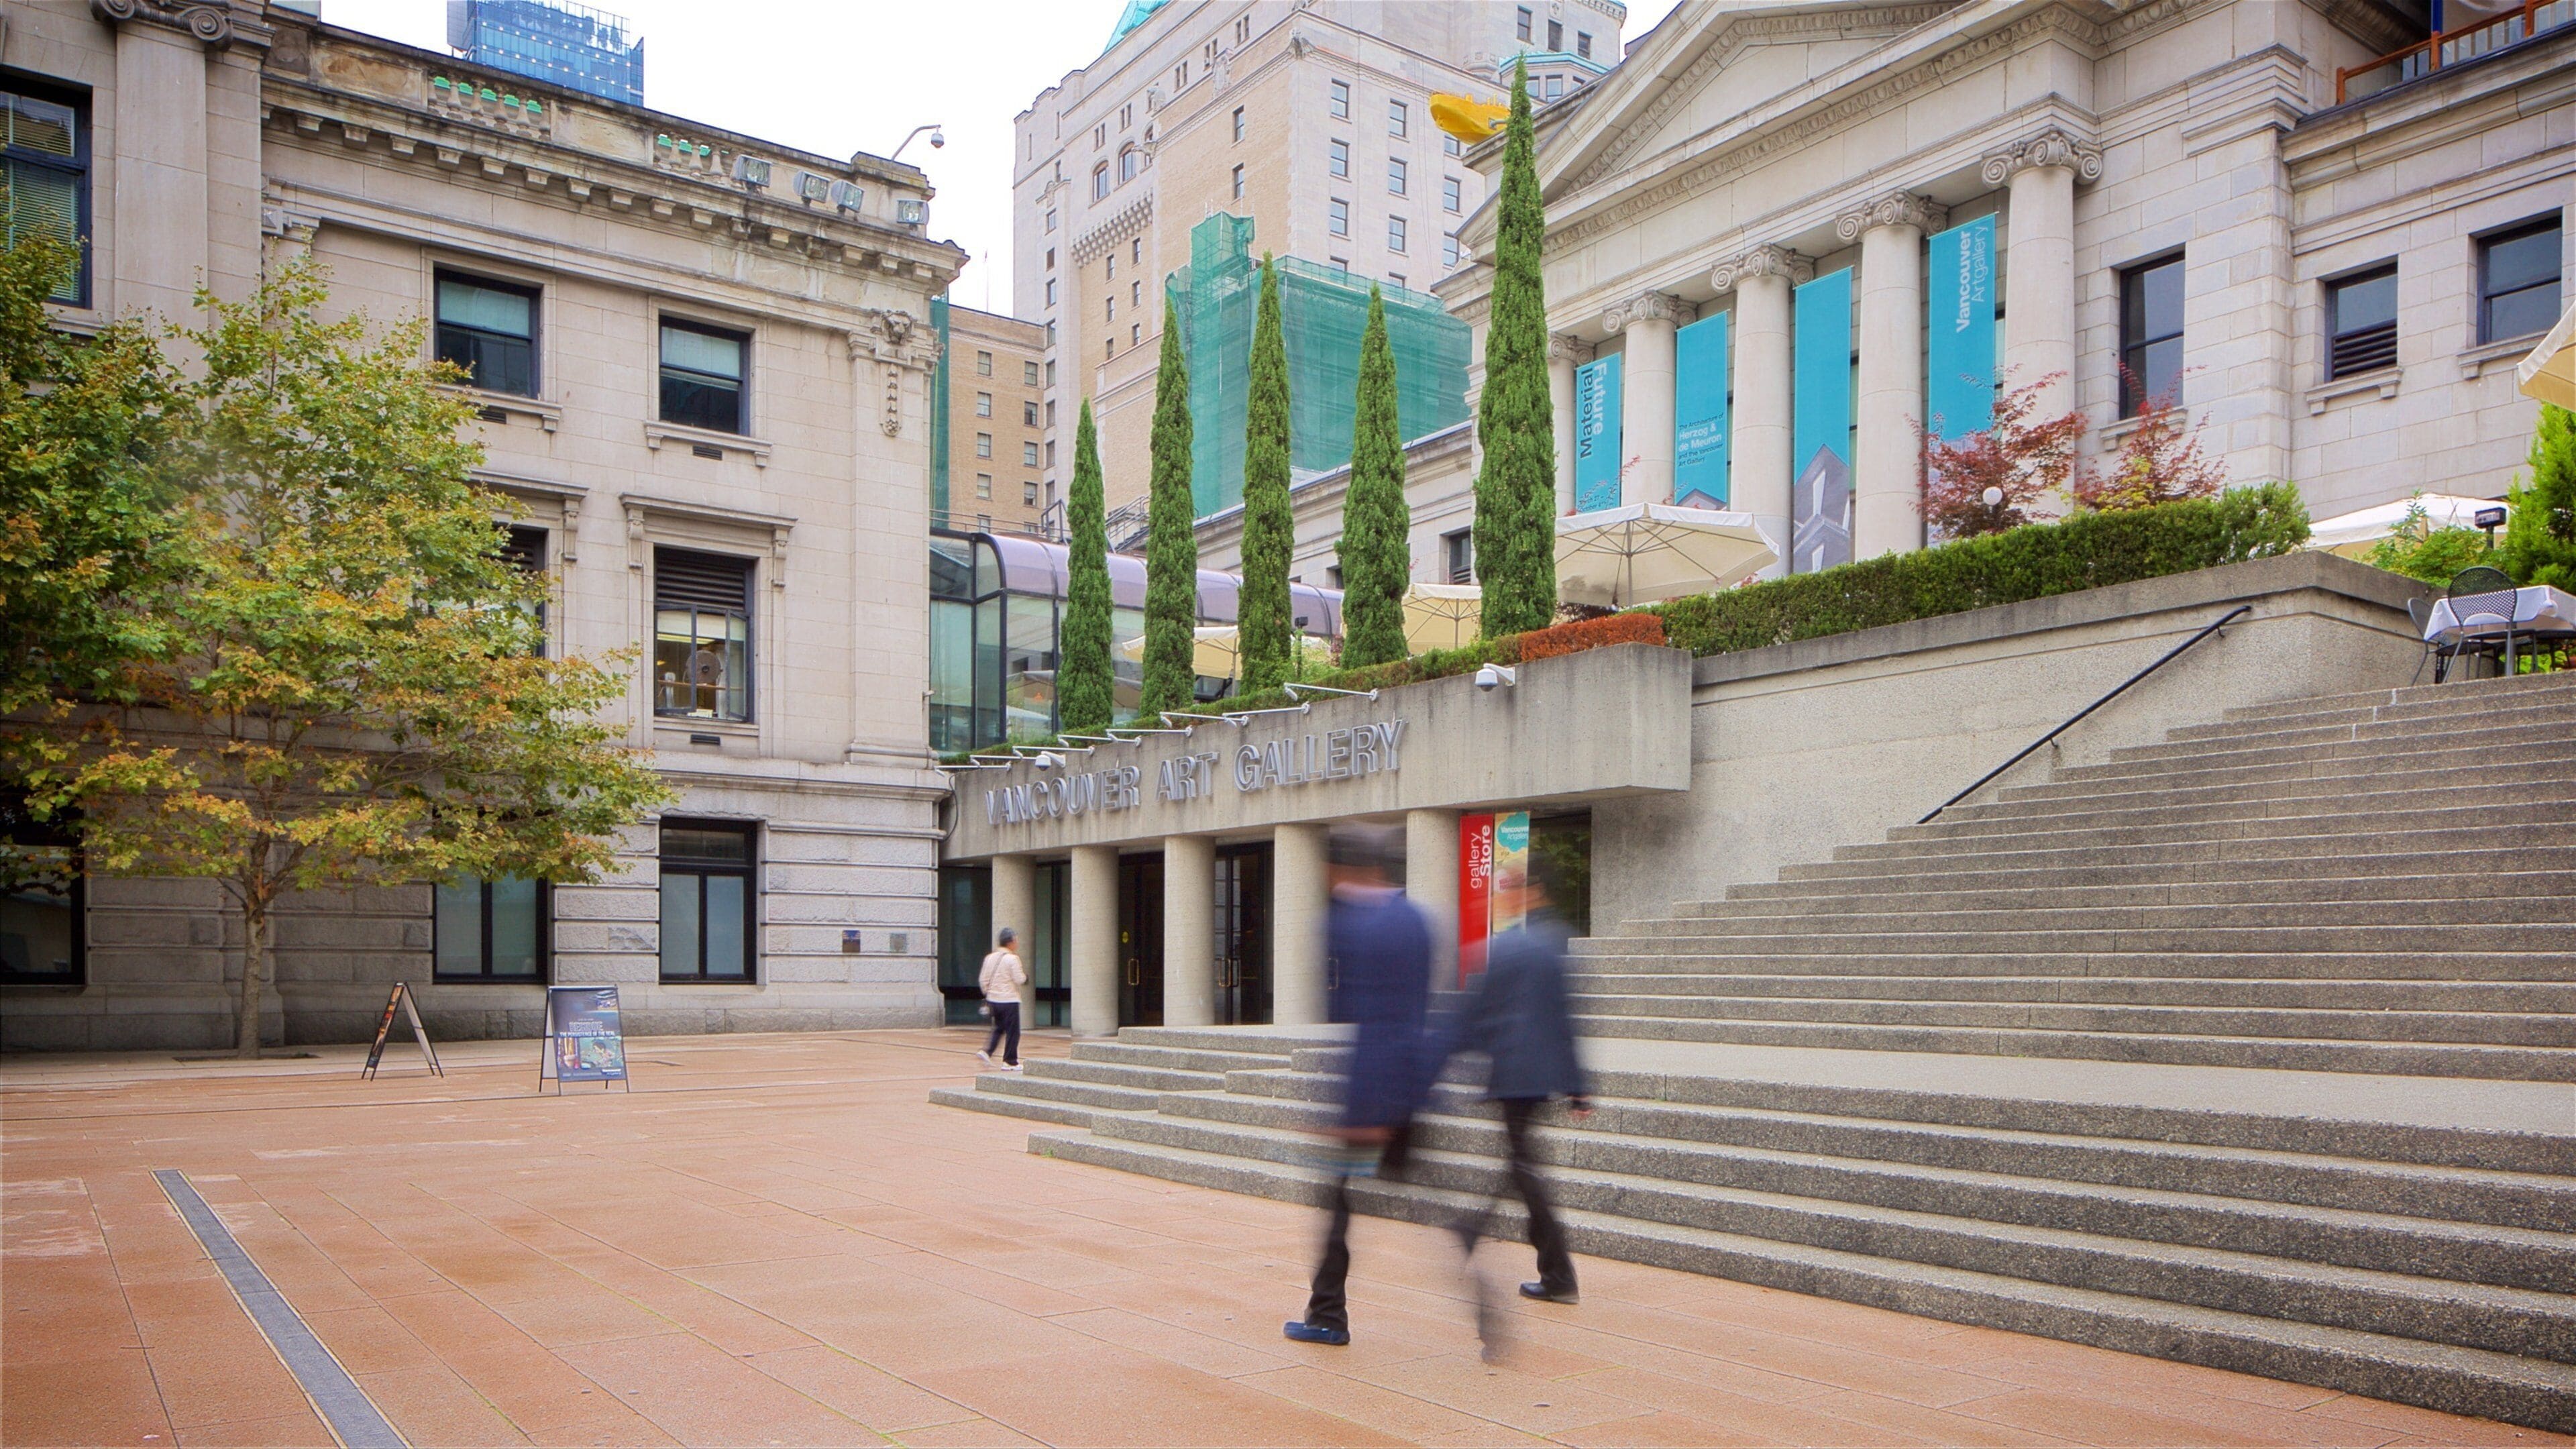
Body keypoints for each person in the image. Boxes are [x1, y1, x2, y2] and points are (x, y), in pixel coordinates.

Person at [1285, 824, 1439, 1349]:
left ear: (1340, 869)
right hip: (1409, 1087)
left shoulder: (1350, 925)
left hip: (1375, 1098)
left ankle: (1328, 1315)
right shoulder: (1414, 918)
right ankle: (1328, 1311)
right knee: (1416, 1197)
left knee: (1339, 1201)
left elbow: (1374, 1025)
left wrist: (1364, 1112)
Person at [1450, 847, 1591, 1305]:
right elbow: (1565, 1021)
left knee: (1523, 1167)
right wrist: (1577, 1087)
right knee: (1521, 1164)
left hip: (1514, 1075)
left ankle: (1556, 1272)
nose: (1503, 896)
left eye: (1510, 887)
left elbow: (1473, 1018)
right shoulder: (1555, 942)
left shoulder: (1513, 947)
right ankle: (1546, 1267)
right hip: (1537, 1075)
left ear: (1534, 891)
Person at [977, 927, 1026, 1071]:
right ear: (1010, 942)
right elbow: (1019, 979)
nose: (1017, 943)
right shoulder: (1012, 959)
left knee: (999, 1027)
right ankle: (1010, 1061)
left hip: (993, 1000)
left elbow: (983, 980)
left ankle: (987, 1052)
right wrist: (1026, 978)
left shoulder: (989, 958)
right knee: (1013, 1032)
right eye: (1016, 940)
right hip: (1009, 1000)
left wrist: (989, 993)